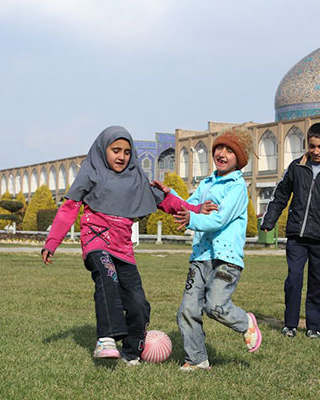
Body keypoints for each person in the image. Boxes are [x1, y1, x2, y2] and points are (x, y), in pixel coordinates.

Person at [41, 126, 216, 366]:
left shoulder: (136, 178)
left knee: (138, 303)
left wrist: (195, 209)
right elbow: (69, 208)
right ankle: (106, 338)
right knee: (107, 279)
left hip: (123, 248)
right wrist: (52, 242)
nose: (121, 156)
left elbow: (164, 200)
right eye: (115, 150)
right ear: (104, 150)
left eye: (126, 151)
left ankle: (131, 352)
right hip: (96, 240)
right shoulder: (91, 173)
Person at [157, 126, 261, 371]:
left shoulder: (237, 189)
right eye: (219, 148)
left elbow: (218, 220)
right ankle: (197, 360)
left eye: (229, 150)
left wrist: (192, 220)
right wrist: (167, 197)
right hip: (200, 258)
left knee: (215, 306)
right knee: (187, 309)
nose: (222, 154)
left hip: (226, 260)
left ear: (240, 159)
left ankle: (245, 323)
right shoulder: (206, 183)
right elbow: (189, 207)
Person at [260, 122, 320, 339]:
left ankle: (314, 327)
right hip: (296, 237)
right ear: (306, 144)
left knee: (318, 283)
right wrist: (269, 220)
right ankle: (290, 324)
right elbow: (280, 195)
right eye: (312, 146)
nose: (316, 151)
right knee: (294, 280)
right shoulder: (296, 167)